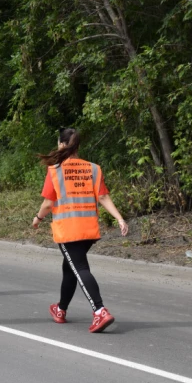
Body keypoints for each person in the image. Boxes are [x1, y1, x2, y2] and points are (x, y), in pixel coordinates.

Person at [32, 128, 128, 333]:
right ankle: (60, 309)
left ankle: (100, 310)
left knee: (80, 269)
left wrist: (38, 218)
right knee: (71, 268)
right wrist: (119, 218)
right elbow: (102, 197)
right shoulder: (93, 168)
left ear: (62, 145)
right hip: (88, 231)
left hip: (69, 231)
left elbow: (49, 203)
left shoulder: (55, 170)